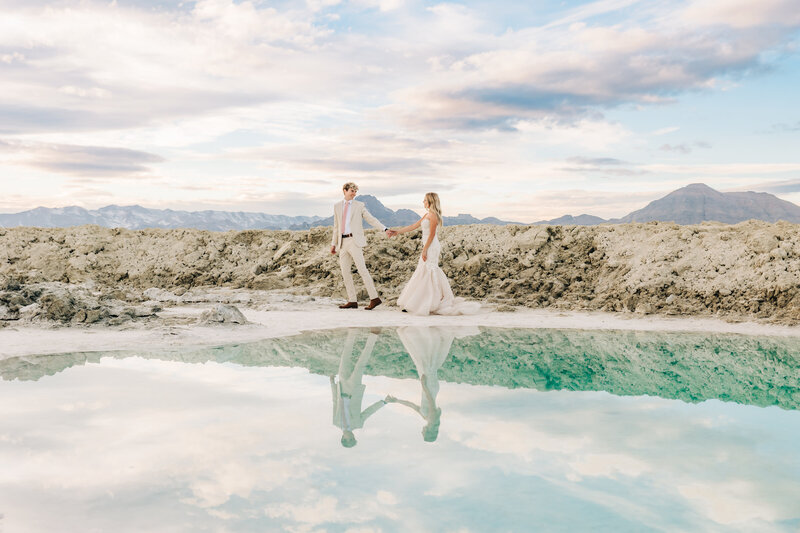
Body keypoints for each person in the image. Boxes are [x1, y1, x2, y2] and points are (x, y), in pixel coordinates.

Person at [389, 192, 481, 316]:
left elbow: (432, 234)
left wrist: (425, 249)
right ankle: (418, 301)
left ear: (430, 201)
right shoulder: (427, 215)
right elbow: (413, 226)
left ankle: (432, 301)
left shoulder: (433, 216)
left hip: (431, 246)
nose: (423, 202)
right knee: (424, 271)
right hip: (427, 245)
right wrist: (397, 232)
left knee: (429, 270)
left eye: (425, 200)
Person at [330, 182, 391, 310]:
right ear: (345, 191)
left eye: (355, 191)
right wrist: (333, 244)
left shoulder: (359, 206)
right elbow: (336, 227)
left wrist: (384, 229)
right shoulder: (337, 206)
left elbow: (371, 219)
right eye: (352, 191)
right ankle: (352, 300)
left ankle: (374, 298)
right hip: (342, 242)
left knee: (362, 270)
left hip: (354, 241)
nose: (354, 193)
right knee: (345, 272)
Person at [330, 328, 388, 447]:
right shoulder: (358, 424)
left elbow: (335, 402)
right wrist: (384, 402)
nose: (352, 438)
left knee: (344, 358)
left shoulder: (335, 422)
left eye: (349, 440)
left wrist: (332, 383)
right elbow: (369, 411)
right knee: (361, 363)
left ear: (343, 439)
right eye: (353, 440)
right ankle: (373, 336)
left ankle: (352, 332)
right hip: (353, 390)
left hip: (342, 388)